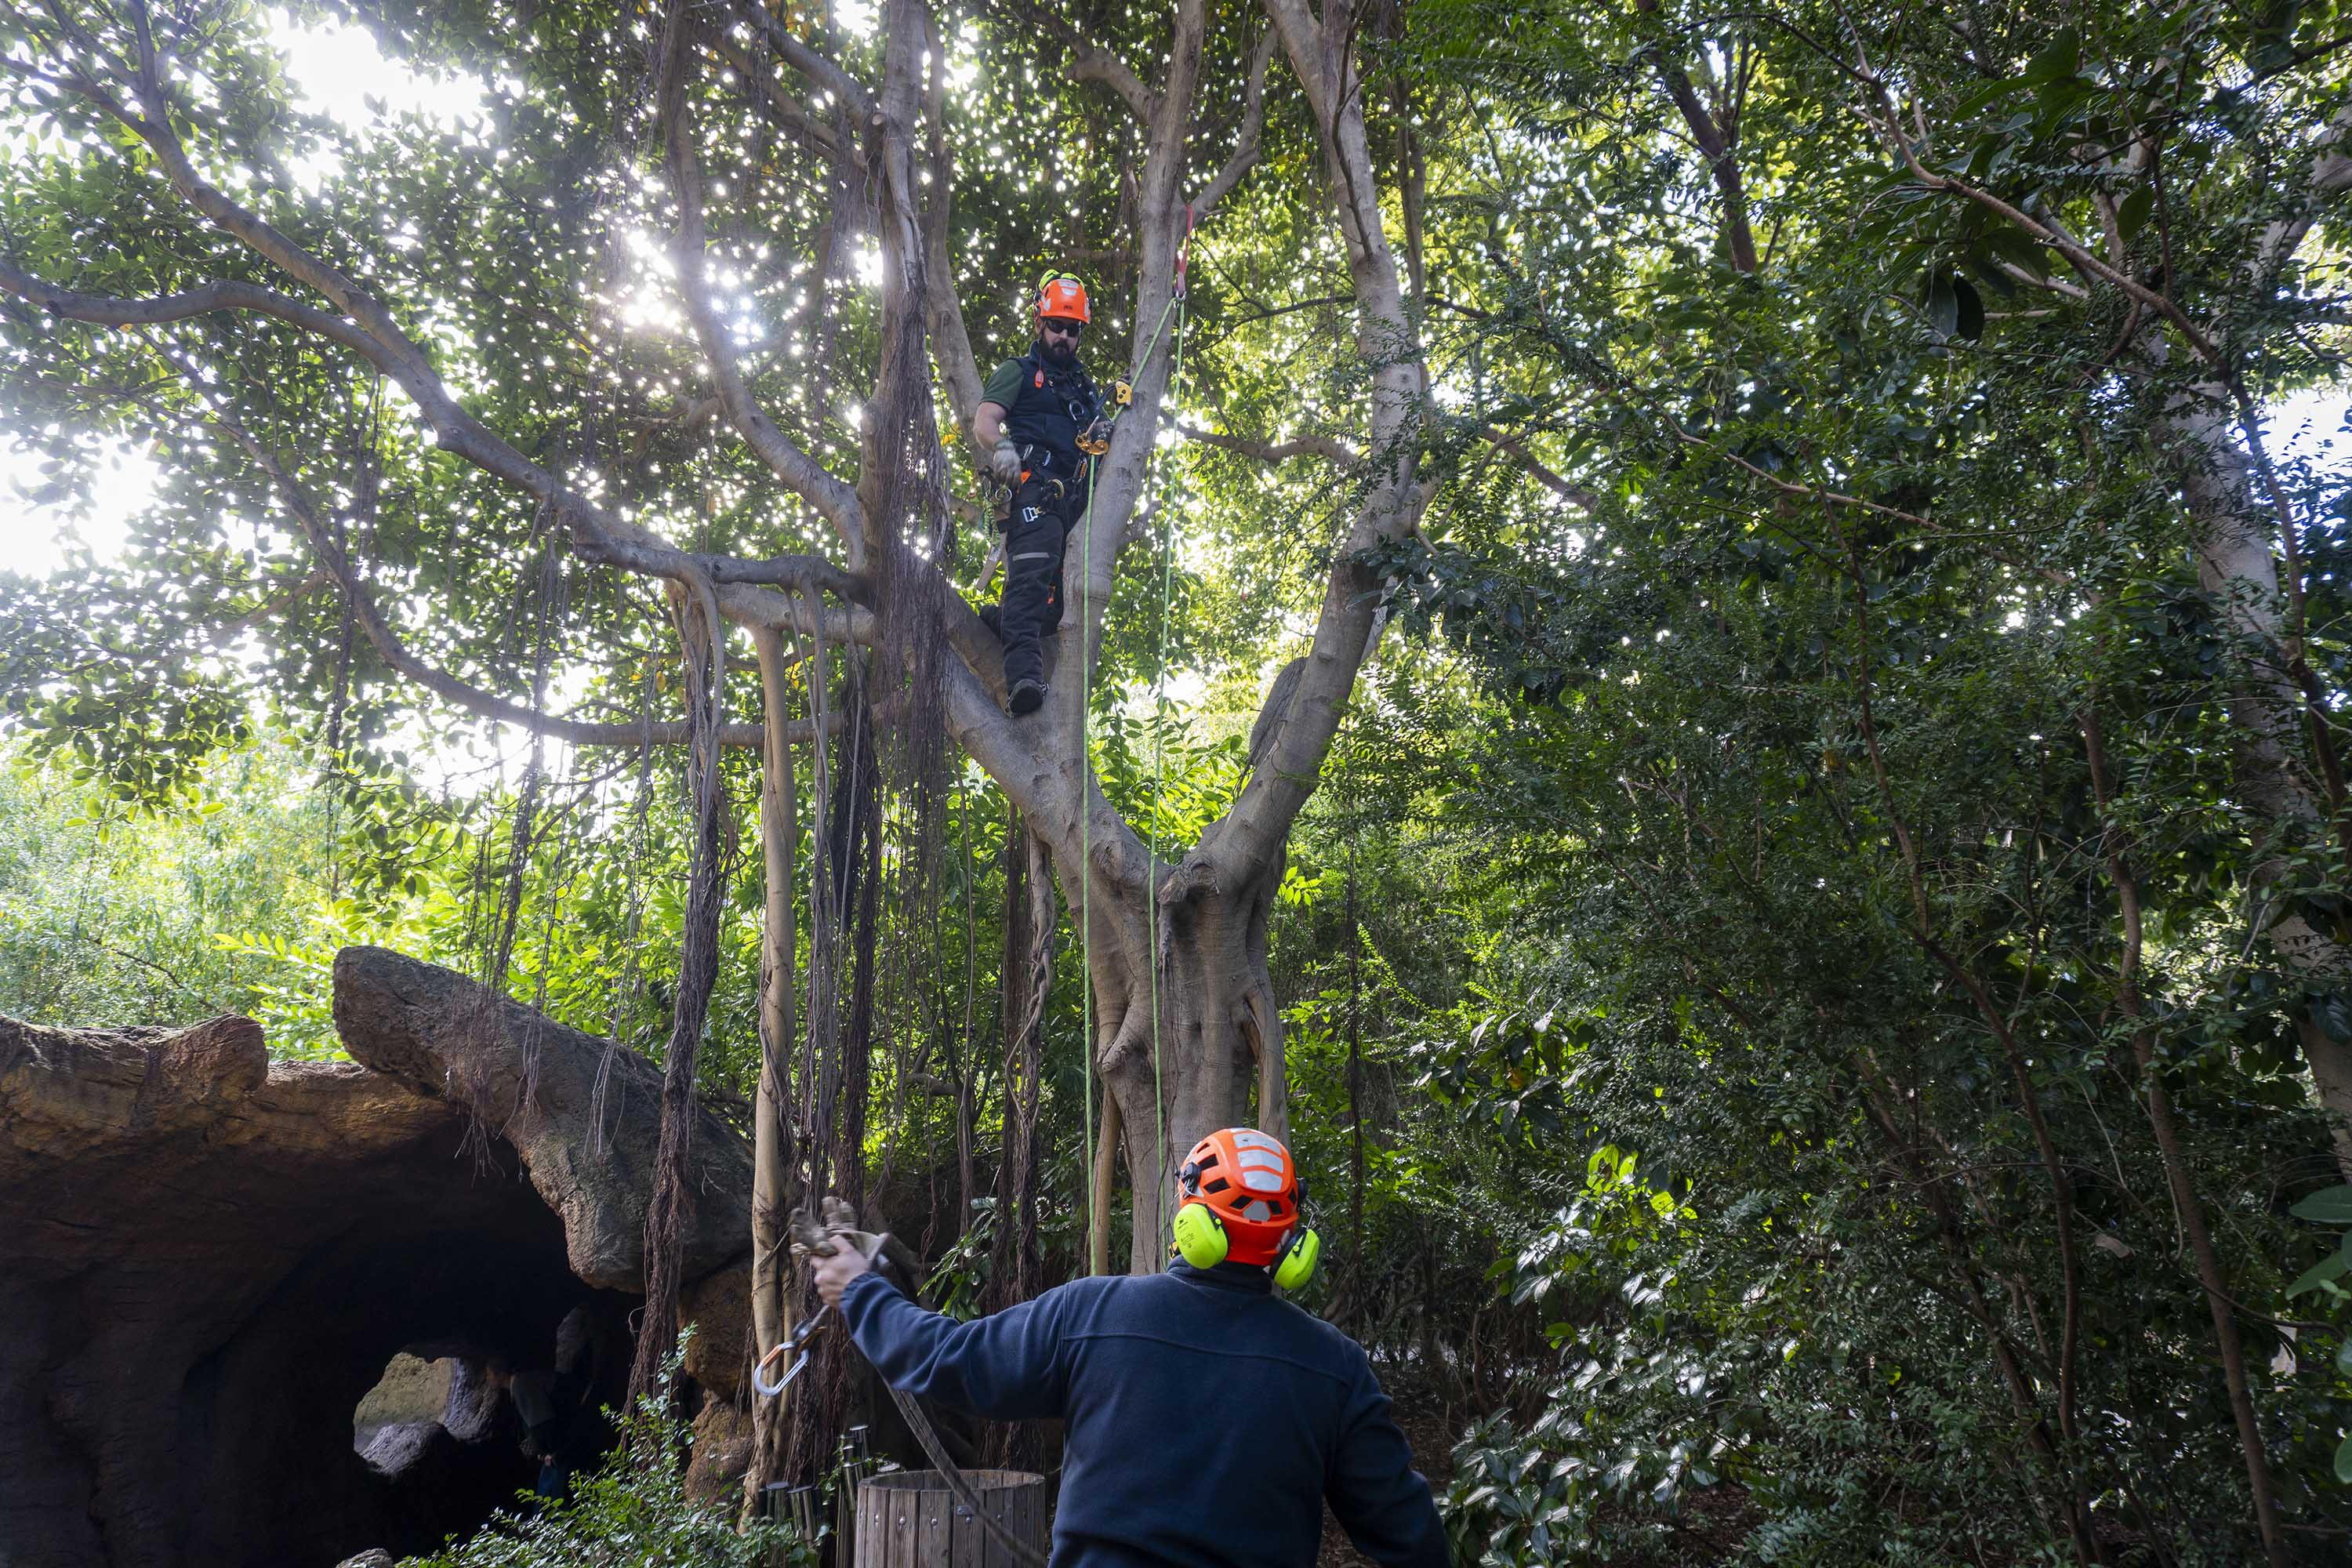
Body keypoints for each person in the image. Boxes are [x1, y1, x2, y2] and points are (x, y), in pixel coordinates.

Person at [809, 1127, 1450, 1568]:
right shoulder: (1334, 1367)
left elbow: (945, 1359)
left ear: (1188, 1215)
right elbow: (1412, 1539)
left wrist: (861, 1291)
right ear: (1290, 1243)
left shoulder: (1092, 1312)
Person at [974, 271, 1113, 717]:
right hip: (1036, 490)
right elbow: (985, 421)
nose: (1064, 336)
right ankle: (1024, 681)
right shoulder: (1019, 372)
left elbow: (1094, 440)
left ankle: (1000, 620)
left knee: (1064, 605)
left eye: (1073, 330)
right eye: (1057, 325)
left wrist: (1105, 428)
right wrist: (1004, 447)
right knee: (1031, 580)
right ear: (1040, 323)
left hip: (1077, 502)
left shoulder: (1085, 389)